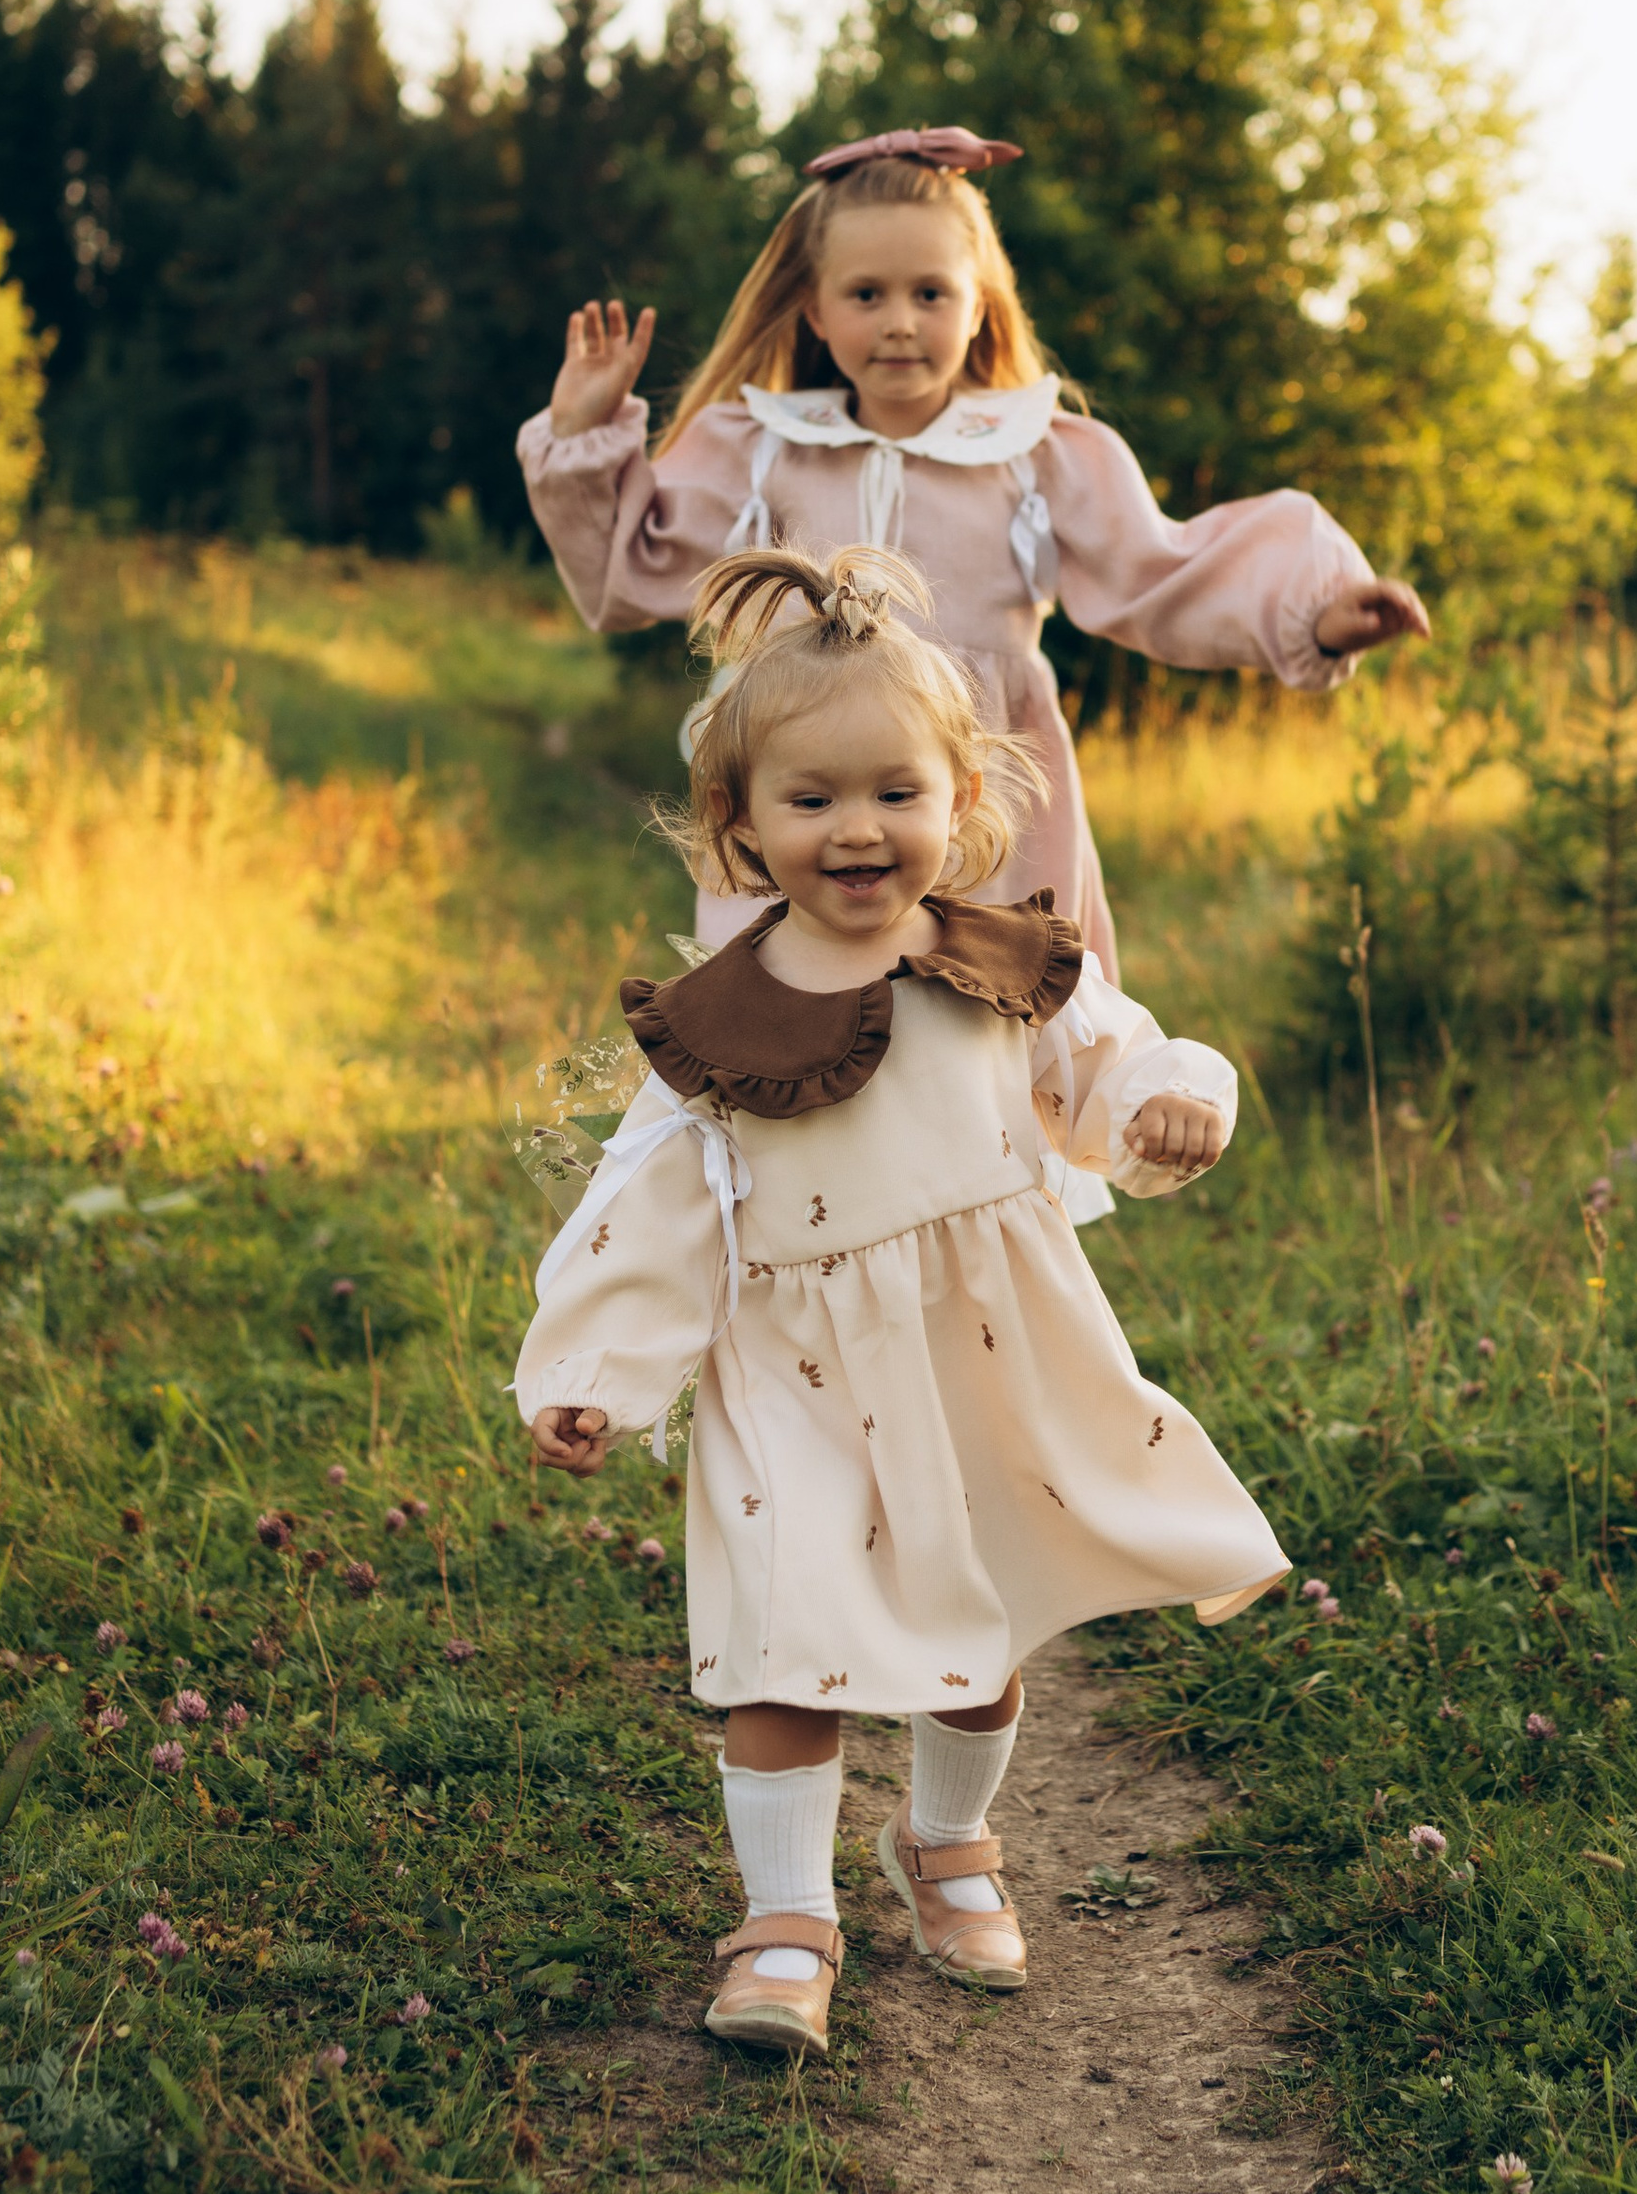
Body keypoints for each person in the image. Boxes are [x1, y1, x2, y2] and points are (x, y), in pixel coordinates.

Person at [516, 540, 1286, 2063]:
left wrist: (1171, 1099)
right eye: (811, 800)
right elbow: (650, 1210)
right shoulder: (719, 1028)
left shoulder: (1006, 969)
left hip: (978, 1361)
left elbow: (1115, 1063)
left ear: (961, 796)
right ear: (740, 823)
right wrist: (594, 1369)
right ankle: (786, 1918)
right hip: (793, 1378)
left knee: (977, 1622)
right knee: (784, 1641)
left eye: (895, 792)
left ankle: (946, 1846)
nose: (858, 830)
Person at [517, 125, 1426, 981]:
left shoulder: (1036, 454)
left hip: (983, 798)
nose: (900, 322)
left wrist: (1316, 608)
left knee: (991, 1011)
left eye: (930, 294)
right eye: (866, 295)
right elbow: (626, 574)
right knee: (791, 1018)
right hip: (804, 793)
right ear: (815, 311)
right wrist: (580, 431)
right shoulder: (761, 450)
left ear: (979, 303)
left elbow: (1163, 572)